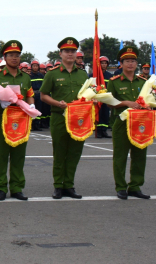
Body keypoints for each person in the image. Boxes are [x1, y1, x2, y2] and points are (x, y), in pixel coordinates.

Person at [0, 40, 34, 201]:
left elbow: (30, 95)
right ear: (4, 57)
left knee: (19, 155)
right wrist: (0, 101)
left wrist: (31, 107)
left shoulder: (25, 77)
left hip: (21, 120)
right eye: (11, 55)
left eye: (17, 55)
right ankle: (0, 187)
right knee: (2, 155)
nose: (14, 58)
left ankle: (17, 187)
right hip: (2, 119)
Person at [40, 37, 88, 199]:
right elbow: (43, 95)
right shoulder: (52, 74)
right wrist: (57, 103)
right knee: (59, 152)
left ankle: (69, 185)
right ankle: (58, 185)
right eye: (66, 51)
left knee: (75, 152)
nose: (70, 54)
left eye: (73, 51)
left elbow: (89, 94)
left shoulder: (83, 75)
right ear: (60, 54)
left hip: (79, 119)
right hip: (59, 116)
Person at [107, 47, 150, 199]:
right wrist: (125, 102)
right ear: (121, 63)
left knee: (140, 155)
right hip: (122, 122)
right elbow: (109, 103)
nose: (130, 64)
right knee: (120, 156)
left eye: (133, 61)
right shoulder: (114, 82)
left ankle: (136, 186)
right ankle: (120, 186)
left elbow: (150, 99)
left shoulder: (144, 82)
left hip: (141, 123)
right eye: (127, 61)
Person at [90, 56, 113, 138]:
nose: (103, 65)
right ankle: (98, 131)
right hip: (97, 99)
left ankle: (104, 131)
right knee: (98, 114)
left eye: (105, 63)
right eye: (102, 63)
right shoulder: (93, 75)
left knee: (105, 114)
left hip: (106, 99)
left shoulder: (109, 75)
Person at [29, 60, 43, 131]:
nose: (35, 67)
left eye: (36, 66)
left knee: (38, 109)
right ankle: (31, 125)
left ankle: (37, 124)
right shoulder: (29, 76)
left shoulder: (41, 76)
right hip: (32, 95)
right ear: (31, 67)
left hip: (39, 94)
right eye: (34, 66)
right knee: (32, 109)